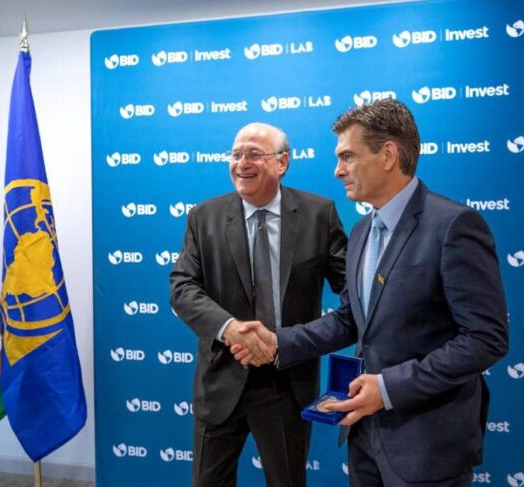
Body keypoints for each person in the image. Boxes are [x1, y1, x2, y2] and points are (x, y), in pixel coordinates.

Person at [232, 100, 509, 486]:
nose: (337, 170)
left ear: (388, 155)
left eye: (347, 156)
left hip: (427, 445)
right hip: (363, 437)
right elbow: (351, 318)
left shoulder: (454, 226)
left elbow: (485, 338)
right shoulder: (362, 231)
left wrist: (388, 388)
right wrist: (278, 342)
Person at [170, 122, 347, 487]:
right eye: (236, 154)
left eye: (253, 154)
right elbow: (183, 287)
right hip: (221, 379)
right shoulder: (204, 217)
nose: (241, 163)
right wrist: (231, 329)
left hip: (286, 381)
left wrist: (294, 341)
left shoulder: (319, 214)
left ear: (282, 162)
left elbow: (352, 291)